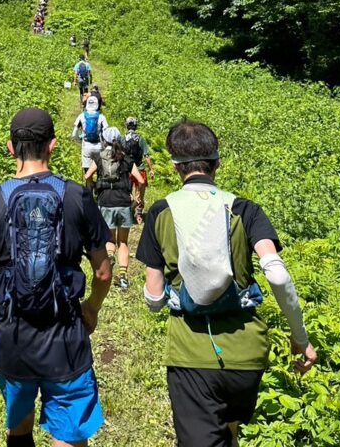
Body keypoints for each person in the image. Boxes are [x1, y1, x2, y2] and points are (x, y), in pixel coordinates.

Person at [0, 108, 113, 447]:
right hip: (66, 339)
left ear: (10, 148)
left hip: (11, 341)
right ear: (53, 146)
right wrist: (91, 309)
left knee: (19, 427)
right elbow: (103, 272)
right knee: (70, 435)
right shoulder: (76, 196)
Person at [136, 121, 317, 447]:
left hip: (190, 356)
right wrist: (300, 338)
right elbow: (276, 273)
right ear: (217, 163)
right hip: (247, 356)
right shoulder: (246, 210)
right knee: (229, 432)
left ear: (176, 166)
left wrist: (168, 295)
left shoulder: (162, 212)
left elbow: (153, 297)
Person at [85, 127, 144, 291]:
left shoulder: (99, 157)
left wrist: (91, 188)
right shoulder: (126, 159)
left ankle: (110, 257)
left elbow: (87, 176)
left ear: (104, 140)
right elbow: (140, 180)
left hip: (106, 201)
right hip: (124, 202)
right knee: (123, 242)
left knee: (109, 239)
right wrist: (138, 196)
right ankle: (123, 277)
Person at [123, 117, 155, 224]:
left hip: (127, 170)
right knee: (140, 193)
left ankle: (128, 212)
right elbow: (146, 155)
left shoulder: (123, 139)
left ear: (127, 126)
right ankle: (139, 214)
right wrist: (151, 169)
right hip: (139, 169)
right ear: (136, 126)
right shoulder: (141, 139)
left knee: (127, 192)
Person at [72, 96, 108, 186]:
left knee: (88, 173)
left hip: (86, 146)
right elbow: (106, 133)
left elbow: (74, 134)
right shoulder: (101, 117)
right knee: (100, 170)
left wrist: (79, 139)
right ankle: (99, 190)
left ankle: (89, 191)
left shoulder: (82, 116)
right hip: (99, 146)